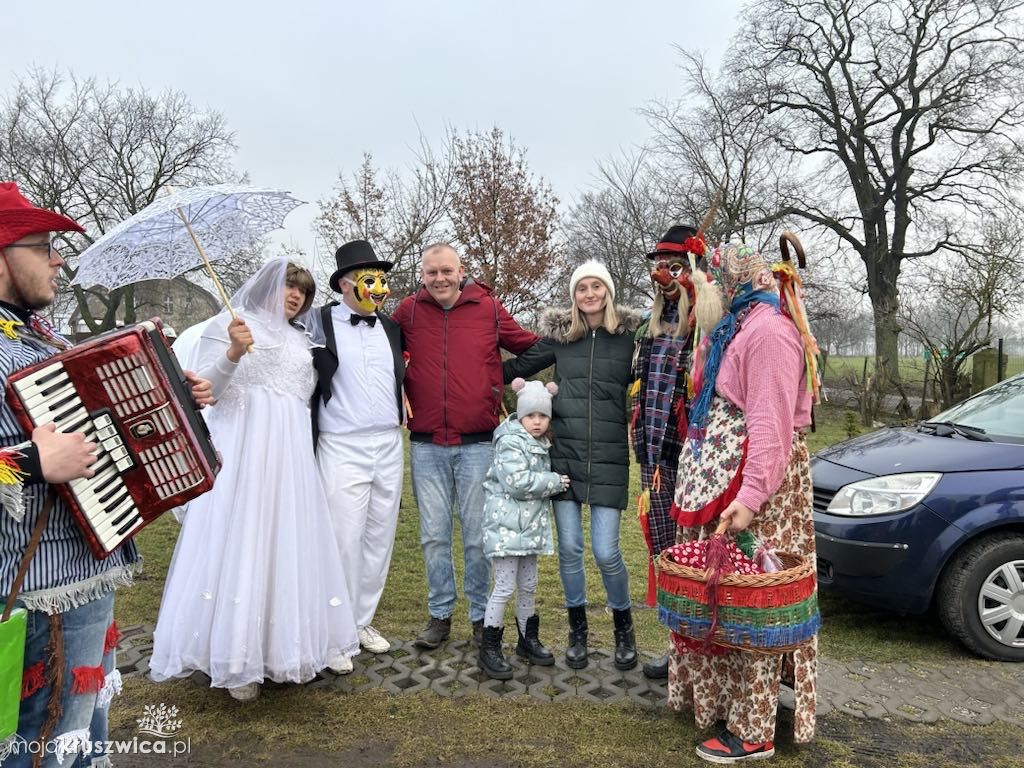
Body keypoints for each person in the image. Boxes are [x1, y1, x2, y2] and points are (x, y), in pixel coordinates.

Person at [0, 181, 213, 768]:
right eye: (42, 245)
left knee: (78, 736)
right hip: (30, 592)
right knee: (33, 747)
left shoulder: (36, 331)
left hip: (87, 572)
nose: (59, 258)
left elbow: (98, 407)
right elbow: (30, 456)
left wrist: (176, 394)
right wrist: (32, 464)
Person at [149, 258, 359, 702]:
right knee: (242, 541)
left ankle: (279, 650)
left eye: (303, 290)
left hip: (289, 456)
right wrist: (232, 352)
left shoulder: (303, 340)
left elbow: (303, 402)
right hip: (243, 449)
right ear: (266, 286)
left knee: (284, 546)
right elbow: (205, 391)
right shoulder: (229, 325)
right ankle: (235, 657)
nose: (296, 296)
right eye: (289, 286)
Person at [667, 242, 819, 763]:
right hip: (733, 481)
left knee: (759, 603)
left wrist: (751, 499)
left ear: (737, 281)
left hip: (762, 492)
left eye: (710, 279)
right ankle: (727, 705)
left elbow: (771, 427)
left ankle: (753, 731)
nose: (703, 287)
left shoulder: (770, 334)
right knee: (728, 600)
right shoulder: (737, 325)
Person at [392, 243, 539, 650]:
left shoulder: (487, 308)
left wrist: (498, 374)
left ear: (461, 271)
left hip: (478, 445)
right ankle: (440, 614)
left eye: (446, 271)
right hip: (426, 445)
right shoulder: (407, 312)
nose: (439, 278)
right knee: (433, 536)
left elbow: (531, 345)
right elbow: (379, 351)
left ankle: (480, 617)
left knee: (477, 537)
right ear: (422, 274)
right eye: (431, 272)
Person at [504, 261, 643, 671]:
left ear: (608, 291)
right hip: (563, 454)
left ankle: (624, 629)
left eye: (596, 285)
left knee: (605, 551)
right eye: (581, 287)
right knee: (569, 549)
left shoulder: (629, 338)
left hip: (610, 455)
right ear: (573, 295)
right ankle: (577, 630)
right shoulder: (561, 339)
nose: (589, 294)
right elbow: (516, 367)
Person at [307, 240, 405, 655]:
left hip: (388, 443)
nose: (380, 289)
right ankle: (334, 632)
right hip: (341, 444)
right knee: (343, 539)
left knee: (378, 537)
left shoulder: (392, 328)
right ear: (346, 286)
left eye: (383, 280)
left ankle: (361, 621)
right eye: (371, 281)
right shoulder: (316, 322)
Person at [631, 225, 701, 680]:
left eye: (675, 267)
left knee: (690, 555)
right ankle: (675, 648)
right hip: (653, 458)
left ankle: (695, 652)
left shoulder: (708, 327)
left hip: (692, 460)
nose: (666, 277)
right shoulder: (651, 326)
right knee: (663, 555)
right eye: (661, 268)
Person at [477, 378, 567, 680]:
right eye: (532, 415)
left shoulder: (539, 442)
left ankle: (527, 639)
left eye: (543, 416)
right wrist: (555, 482)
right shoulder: (510, 441)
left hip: (528, 530)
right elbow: (517, 483)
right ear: (520, 415)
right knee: (503, 587)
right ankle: (489, 646)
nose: (538, 421)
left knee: (529, 585)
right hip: (506, 530)